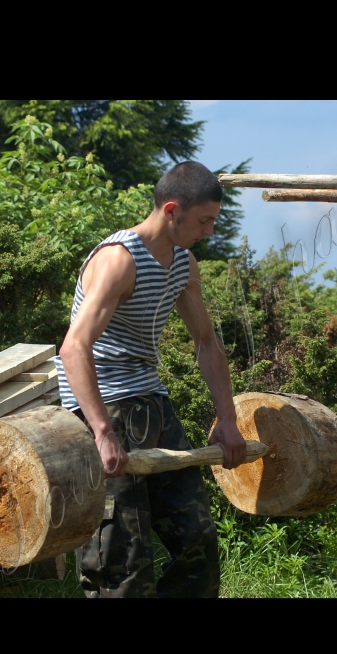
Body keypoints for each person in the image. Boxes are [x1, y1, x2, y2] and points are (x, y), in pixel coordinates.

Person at [55, 161, 247, 598]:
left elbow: (206, 343)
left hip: (151, 404)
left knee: (198, 542)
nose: (210, 231)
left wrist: (228, 419)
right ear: (172, 210)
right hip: (101, 408)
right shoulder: (118, 260)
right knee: (120, 562)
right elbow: (73, 348)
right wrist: (101, 433)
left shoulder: (183, 264)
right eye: (204, 221)